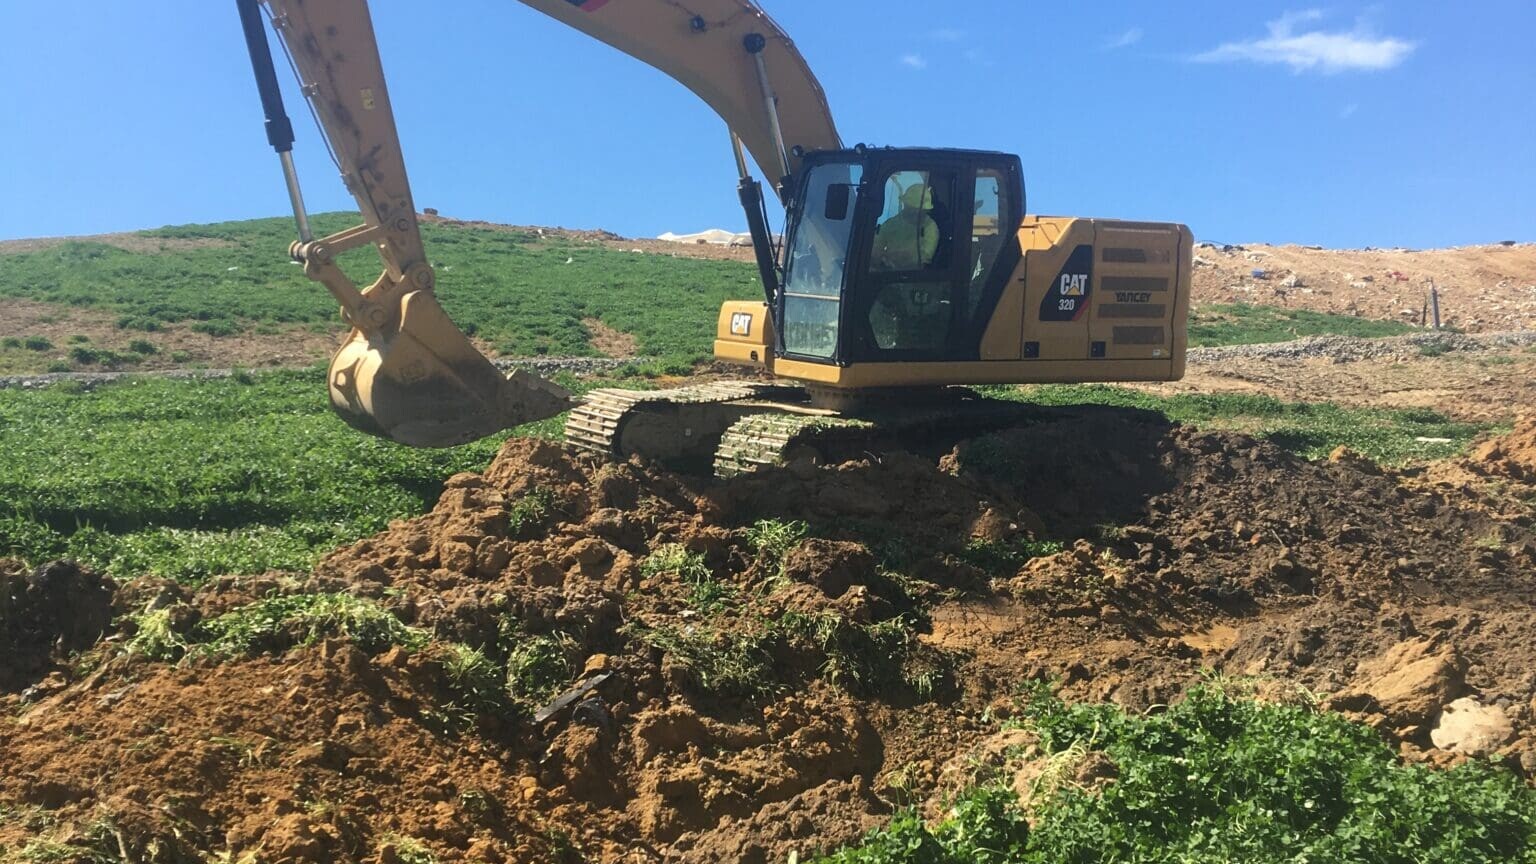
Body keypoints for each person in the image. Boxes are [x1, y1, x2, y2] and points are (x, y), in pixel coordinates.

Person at [872, 182, 939, 271]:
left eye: (917, 210)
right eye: (911, 208)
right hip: (887, 273)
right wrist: (880, 259)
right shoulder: (892, 223)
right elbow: (875, 248)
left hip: (914, 277)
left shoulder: (930, 228)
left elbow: (923, 260)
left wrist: (897, 256)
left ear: (925, 210)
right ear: (905, 204)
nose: (914, 213)